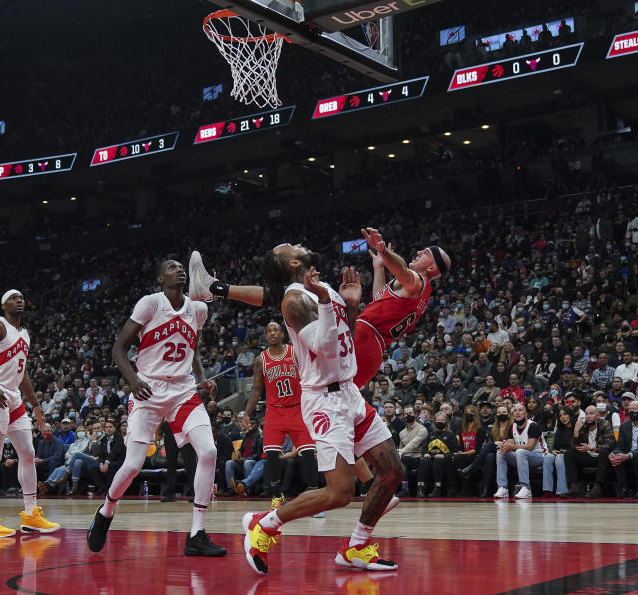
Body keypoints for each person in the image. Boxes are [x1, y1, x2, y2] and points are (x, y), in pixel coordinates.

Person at [227, 242, 405, 575]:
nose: (300, 244)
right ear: (293, 262)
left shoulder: (323, 292)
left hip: (349, 392)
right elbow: (323, 348)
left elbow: (343, 341)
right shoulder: (294, 301)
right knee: (340, 493)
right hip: (323, 400)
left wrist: (350, 307)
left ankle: (356, 546)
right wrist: (326, 300)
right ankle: (263, 524)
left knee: (393, 471)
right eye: (292, 247)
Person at [187, 229, 451, 390]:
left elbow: (403, 270)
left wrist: (382, 249)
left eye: (426, 252)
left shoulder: (418, 281)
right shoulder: (416, 293)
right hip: (370, 342)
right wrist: (378, 268)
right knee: (286, 294)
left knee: (329, 394)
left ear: (432, 268)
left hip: (365, 337)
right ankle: (214, 288)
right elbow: (381, 298)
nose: (419, 250)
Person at [87, 259, 226, 557]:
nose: (179, 270)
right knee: (134, 465)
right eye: (171, 267)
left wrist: (201, 378)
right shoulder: (150, 303)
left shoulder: (198, 309)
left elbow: (193, 348)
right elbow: (118, 349)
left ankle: (197, 534)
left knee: (209, 451)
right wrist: (134, 380)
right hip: (148, 389)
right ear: (161, 279)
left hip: (182, 390)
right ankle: (107, 509)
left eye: (181, 266)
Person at [0, 289, 59, 538]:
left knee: (28, 453)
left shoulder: (25, 334)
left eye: (21, 298)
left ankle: (31, 516)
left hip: (13, 397)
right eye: (12, 298)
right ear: (3, 305)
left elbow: (23, 373)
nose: (18, 301)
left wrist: (36, 403)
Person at [241, 321, 317, 499]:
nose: (273, 333)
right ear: (265, 336)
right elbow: (257, 389)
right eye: (269, 331)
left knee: (307, 453)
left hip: (298, 408)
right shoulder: (261, 360)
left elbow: (310, 373)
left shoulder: (295, 352)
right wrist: (246, 413)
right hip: (275, 411)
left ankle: (314, 495)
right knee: (272, 455)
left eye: (276, 330)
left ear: (283, 334)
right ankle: (277, 496)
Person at [494, 403, 553, 499]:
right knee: (501, 453)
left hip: (540, 456)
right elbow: (510, 445)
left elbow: (530, 447)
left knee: (520, 451)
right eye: (515, 411)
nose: (517, 412)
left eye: (520, 410)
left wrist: (510, 446)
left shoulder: (533, 426)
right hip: (521, 457)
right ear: (513, 415)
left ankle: (526, 487)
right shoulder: (512, 427)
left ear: (526, 414)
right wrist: (504, 446)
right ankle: (502, 487)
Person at [565, 405, 616, 499]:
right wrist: (576, 431)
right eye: (586, 414)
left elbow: (610, 444)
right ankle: (575, 486)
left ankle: (598, 487)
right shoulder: (583, 425)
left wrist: (591, 448)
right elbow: (574, 446)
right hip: (588, 457)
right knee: (569, 453)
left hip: (601, 457)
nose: (588, 416)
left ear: (597, 415)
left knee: (604, 452)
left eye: (591, 414)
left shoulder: (605, 424)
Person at [610, 400, 638, 498]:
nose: (631, 412)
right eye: (629, 410)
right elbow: (620, 445)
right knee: (617, 455)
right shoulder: (624, 426)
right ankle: (623, 488)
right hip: (626, 454)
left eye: (634, 409)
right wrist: (613, 453)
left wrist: (628, 455)